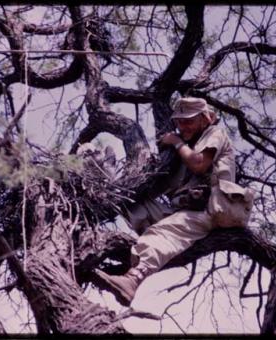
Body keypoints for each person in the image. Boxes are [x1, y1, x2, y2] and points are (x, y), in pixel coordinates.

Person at [94, 97, 236, 306]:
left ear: (205, 119)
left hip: (210, 211)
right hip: (183, 212)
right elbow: (157, 186)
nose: (182, 126)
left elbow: (199, 164)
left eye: (188, 121)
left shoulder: (214, 134)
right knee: (128, 200)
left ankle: (133, 279)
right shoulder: (184, 149)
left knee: (161, 234)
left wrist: (176, 142)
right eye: (179, 121)